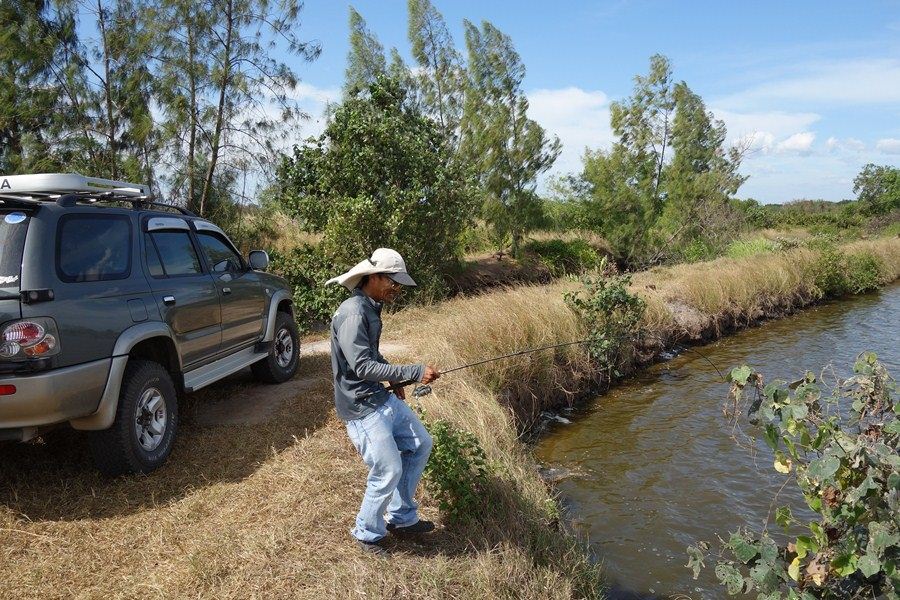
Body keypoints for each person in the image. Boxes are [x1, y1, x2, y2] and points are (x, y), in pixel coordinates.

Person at [326, 248, 441, 555]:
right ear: (374, 277)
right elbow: (362, 367)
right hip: (362, 406)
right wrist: (413, 372)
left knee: (419, 444)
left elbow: (371, 357)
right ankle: (367, 532)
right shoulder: (353, 312)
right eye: (393, 281)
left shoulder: (370, 306)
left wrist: (391, 378)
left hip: (379, 396)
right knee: (388, 468)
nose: (397, 288)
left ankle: (401, 518)